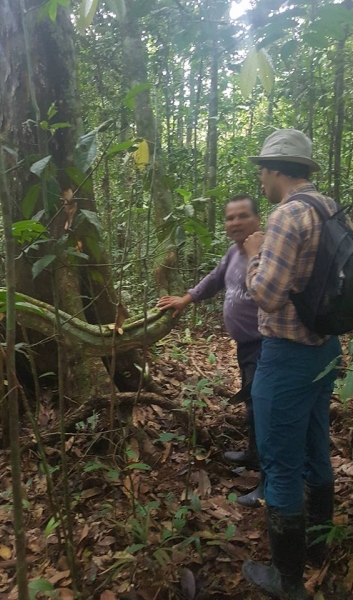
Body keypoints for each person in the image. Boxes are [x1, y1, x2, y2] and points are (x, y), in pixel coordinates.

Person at [242, 129, 342, 600]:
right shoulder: (329, 206)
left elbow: (265, 292)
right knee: (316, 447)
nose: (260, 178)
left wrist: (253, 251)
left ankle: (288, 582)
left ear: (278, 170)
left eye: (263, 169)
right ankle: (321, 550)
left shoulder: (287, 215)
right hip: (325, 349)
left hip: (287, 357)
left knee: (281, 465)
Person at [157, 194, 264, 507]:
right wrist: (185, 299)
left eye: (242, 216)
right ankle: (255, 455)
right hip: (246, 346)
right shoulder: (233, 252)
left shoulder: (267, 250)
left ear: (258, 218)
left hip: (267, 344)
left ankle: (269, 484)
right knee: (252, 403)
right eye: (230, 218)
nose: (235, 223)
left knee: (266, 410)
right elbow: (215, 280)